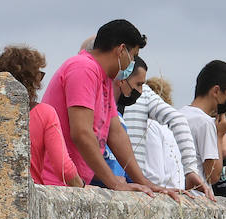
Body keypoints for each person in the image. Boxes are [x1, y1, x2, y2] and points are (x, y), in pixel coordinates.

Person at [41, 20, 178, 198]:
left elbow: (116, 133)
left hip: (75, 184)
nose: (132, 62)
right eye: (133, 56)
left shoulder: (103, 79)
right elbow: (81, 133)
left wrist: (145, 183)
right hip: (54, 183)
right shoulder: (83, 68)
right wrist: (113, 182)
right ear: (121, 50)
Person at [0, 46, 84, 187]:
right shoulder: (44, 113)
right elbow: (63, 168)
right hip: (28, 195)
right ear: (31, 80)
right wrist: (83, 187)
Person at [117, 60, 212, 194]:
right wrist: (190, 170)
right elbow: (178, 120)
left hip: (121, 181)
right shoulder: (145, 94)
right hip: (136, 183)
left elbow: (177, 120)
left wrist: (190, 170)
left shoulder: (143, 93)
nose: (139, 89)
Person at [182, 60, 226, 187]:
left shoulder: (178, 114)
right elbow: (212, 176)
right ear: (216, 91)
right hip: (198, 194)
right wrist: (219, 135)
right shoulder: (205, 122)